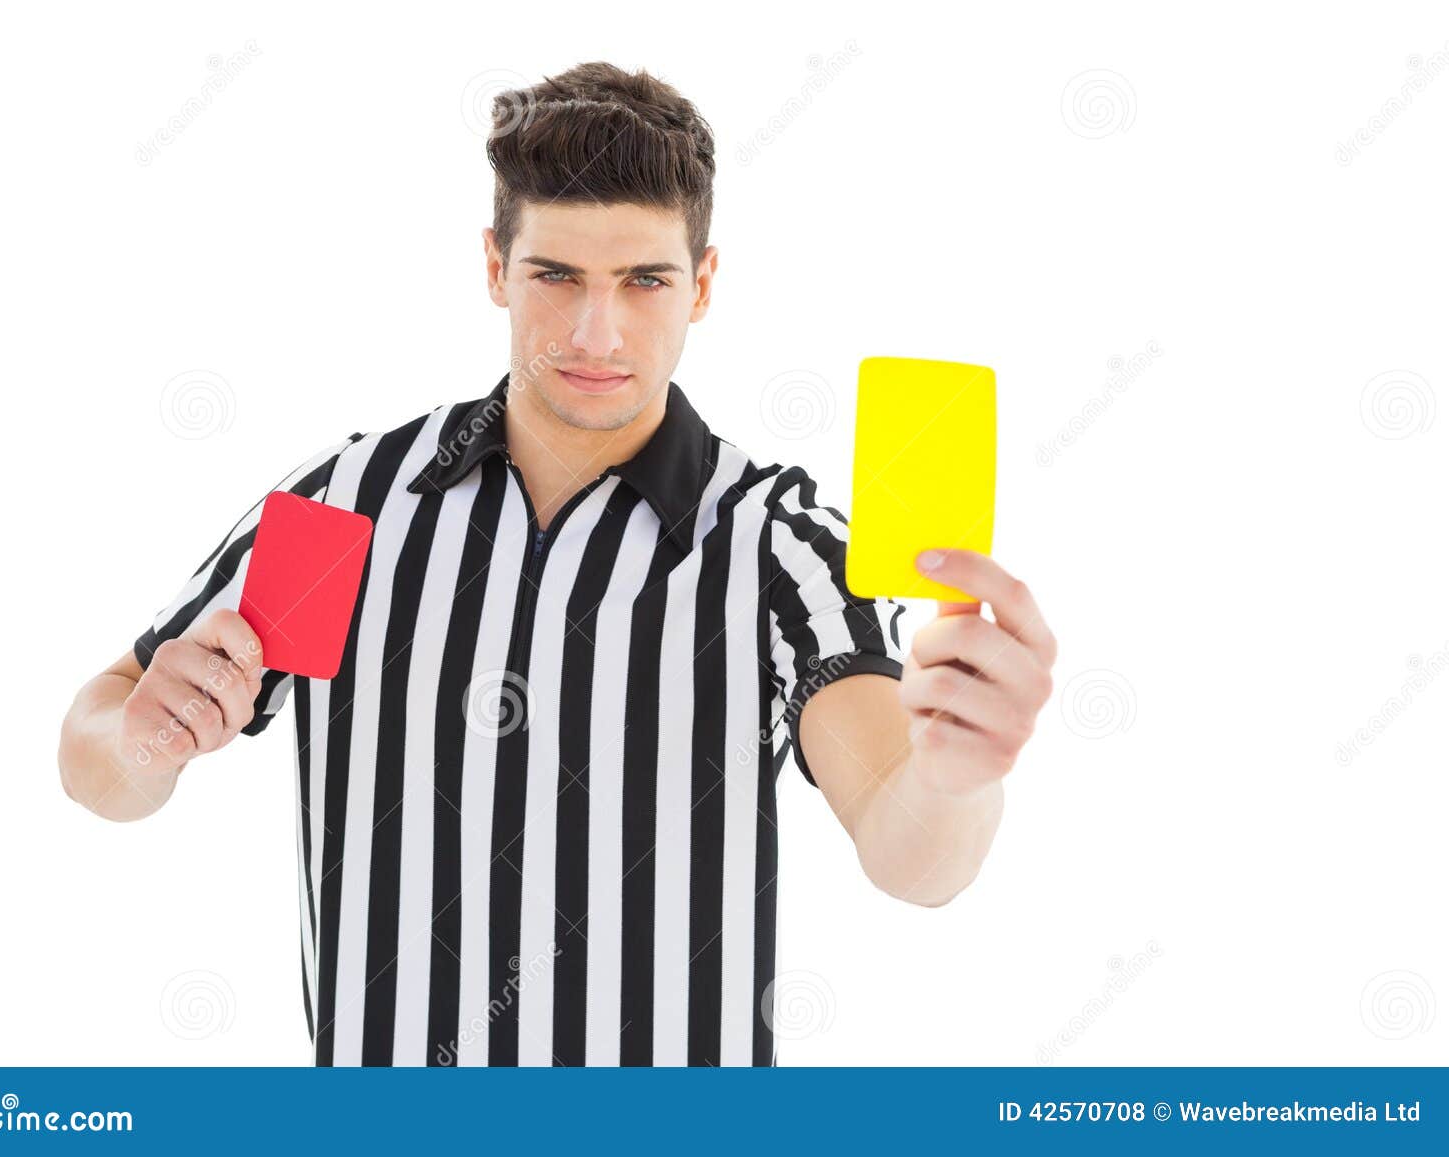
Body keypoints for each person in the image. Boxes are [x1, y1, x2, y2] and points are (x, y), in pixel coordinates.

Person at [58, 61, 1057, 1067]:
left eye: (644, 281)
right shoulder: (349, 502)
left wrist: (954, 777)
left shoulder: (774, 539)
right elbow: (102, 749)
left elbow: (908, 847)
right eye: (556, 276)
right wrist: (145, 739)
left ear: (701, 284)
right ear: (495, 266)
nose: (595, 333)